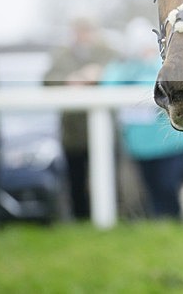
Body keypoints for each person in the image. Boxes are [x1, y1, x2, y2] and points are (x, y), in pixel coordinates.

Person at [101, 17, 183, 219]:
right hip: (140, 145)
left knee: (168, 188)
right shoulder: (122, 68)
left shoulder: (164, 63)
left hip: (170, 142)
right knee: (152, 192)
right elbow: (108, 86)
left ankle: (174, 223)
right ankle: (161, 226)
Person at [43, 17, 117, 219]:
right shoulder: (61, 55)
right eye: (79, 30)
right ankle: (81, 218)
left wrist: (101, 74)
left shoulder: (108, 53)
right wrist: (69, 80)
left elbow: (122, 71)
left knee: (108, 178)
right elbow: (47, 80)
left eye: (87, 30)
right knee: (76, 179)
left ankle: (113, 216)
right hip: (73, 132)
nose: (83, 35)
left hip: (107, 132)